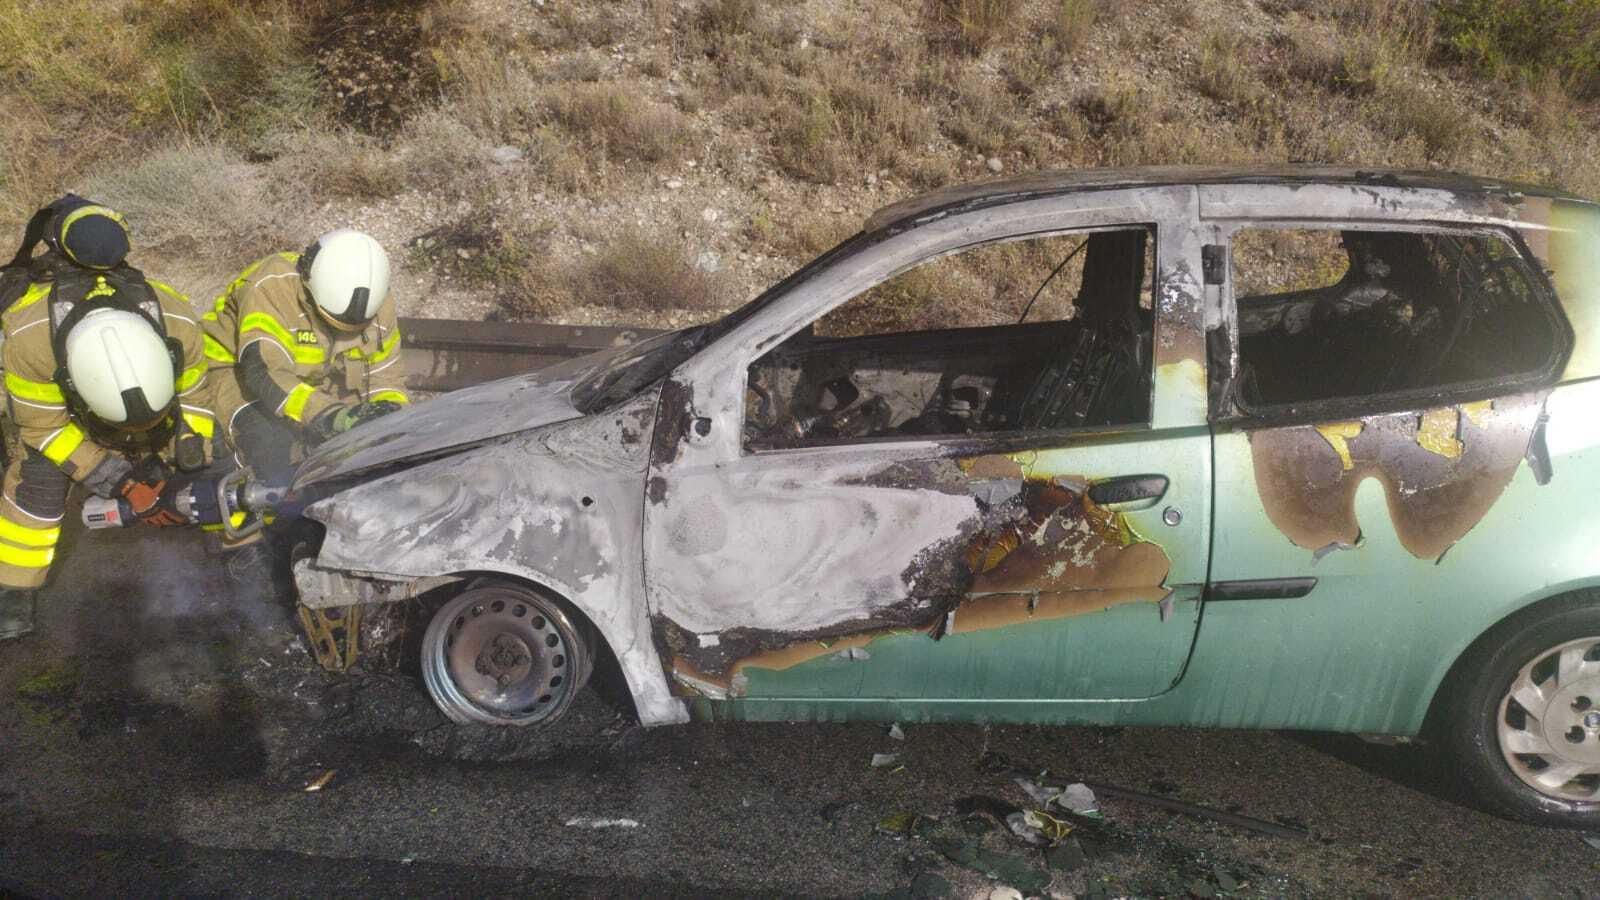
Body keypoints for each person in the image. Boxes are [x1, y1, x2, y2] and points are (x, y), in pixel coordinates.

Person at [0, 196, 216, 640]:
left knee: (215, 459)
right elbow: (44, 428)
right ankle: (15, 588)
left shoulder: (176, 318)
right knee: (36, 482)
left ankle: (239, 547)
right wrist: (123, 483)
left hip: (156, 419)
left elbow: (197, 396)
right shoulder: (30, 339)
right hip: (66, 422)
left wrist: (187, 452)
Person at [203, 229, 408, 485]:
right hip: (235, 371)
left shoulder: (379, 305)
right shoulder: (271, 286)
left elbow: (386, 377)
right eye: (331, 323)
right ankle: (247, 497)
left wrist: (391, 417)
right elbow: (265, 371)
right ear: (309, 288)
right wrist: (329, 415)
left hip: (314, 379)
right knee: (271, 446)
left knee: (360, 446)